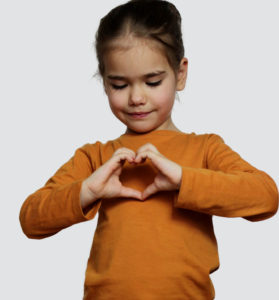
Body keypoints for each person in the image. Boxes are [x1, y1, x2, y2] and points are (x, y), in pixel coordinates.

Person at [19, 0, 279, 299]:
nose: (136, 98)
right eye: (119, 85)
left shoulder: (205, 148)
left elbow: (265, 197)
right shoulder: (95, 157)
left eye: (153, 81)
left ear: (180, 74)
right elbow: (30, 219)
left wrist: (183, 179)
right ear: (104, 82)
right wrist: (88, 190)